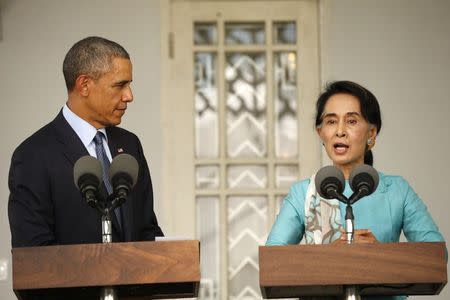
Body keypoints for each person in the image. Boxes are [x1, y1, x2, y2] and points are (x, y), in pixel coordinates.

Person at [266, 81, 445, 300]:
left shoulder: (396, 190)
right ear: (320, 132)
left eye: (351, 121)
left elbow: (436, 255)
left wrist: (378, 256)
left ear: (371, 133)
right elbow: (273, 261)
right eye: (331, 121)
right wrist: (330, 255)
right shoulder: (303, 193)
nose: (340, 131)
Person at [8, 36, 163, 247]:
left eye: (129, 85)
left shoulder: (130, 144)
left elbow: (147, 230)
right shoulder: (33, 156)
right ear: (84, 85)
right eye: (120, 85)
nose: (129, 96)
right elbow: (33, 252)